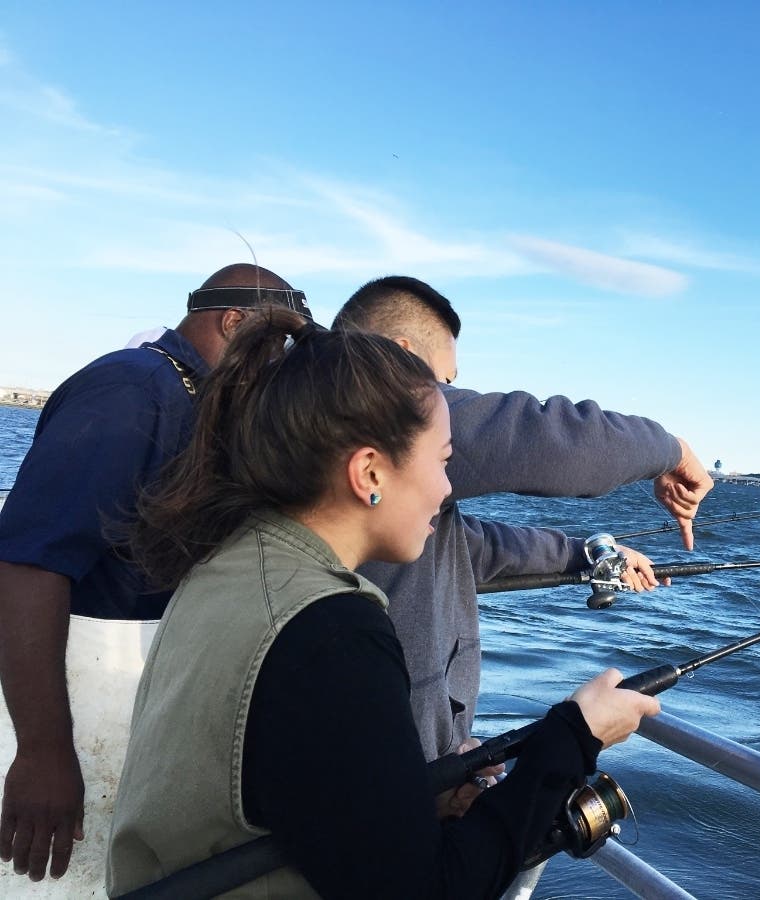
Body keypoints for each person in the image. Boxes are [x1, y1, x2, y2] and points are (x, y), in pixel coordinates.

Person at [107, 309, 660, 898]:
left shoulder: (231, 564)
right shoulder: (331, 629)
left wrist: (411, 793)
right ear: (369, 471)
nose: (448, 489)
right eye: (443, 461)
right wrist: (575, 736)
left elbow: (292, 782)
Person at [331, 277, 713, 784]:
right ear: (400, 359)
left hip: (406, 763)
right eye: (445, 383)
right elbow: (554, 441)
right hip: (379, 775)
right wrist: (673, 449)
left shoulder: (346, 462)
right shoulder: (377, 413)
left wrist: (587, 554)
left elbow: (468, 547)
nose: (449, 400)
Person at [0, 264, 311, 883]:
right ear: (235, 323)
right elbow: (26, 563)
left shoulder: (198, 403)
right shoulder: (133, 388)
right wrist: (43, 751)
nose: (280, 374)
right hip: (62, 709)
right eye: (277, 350)